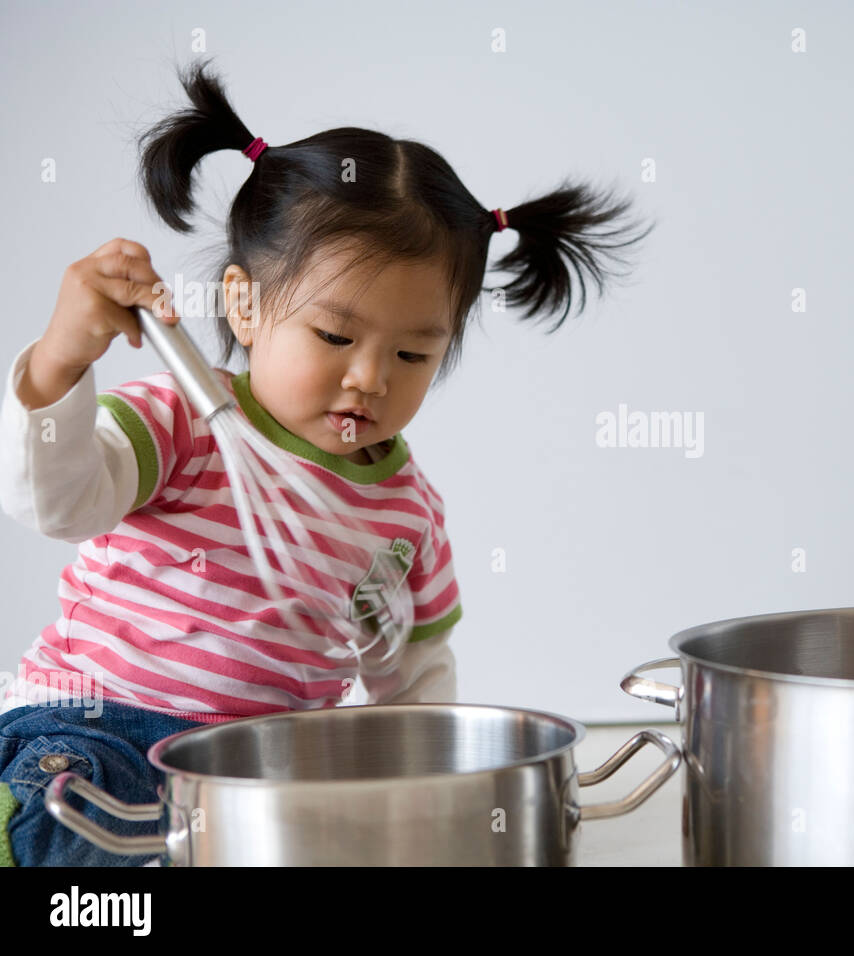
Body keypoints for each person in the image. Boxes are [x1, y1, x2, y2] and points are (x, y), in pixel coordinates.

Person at [0, 57, 653, 866]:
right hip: (92, 733)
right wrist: (60, 364)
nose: (370, 377)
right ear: (244, 304)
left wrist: (425, 789)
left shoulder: (407, 514)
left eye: (414, 354)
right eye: (336, 337)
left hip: (263, 778)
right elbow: (57, 504)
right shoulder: (181, 424)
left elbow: (413, 682)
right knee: (77, 849)